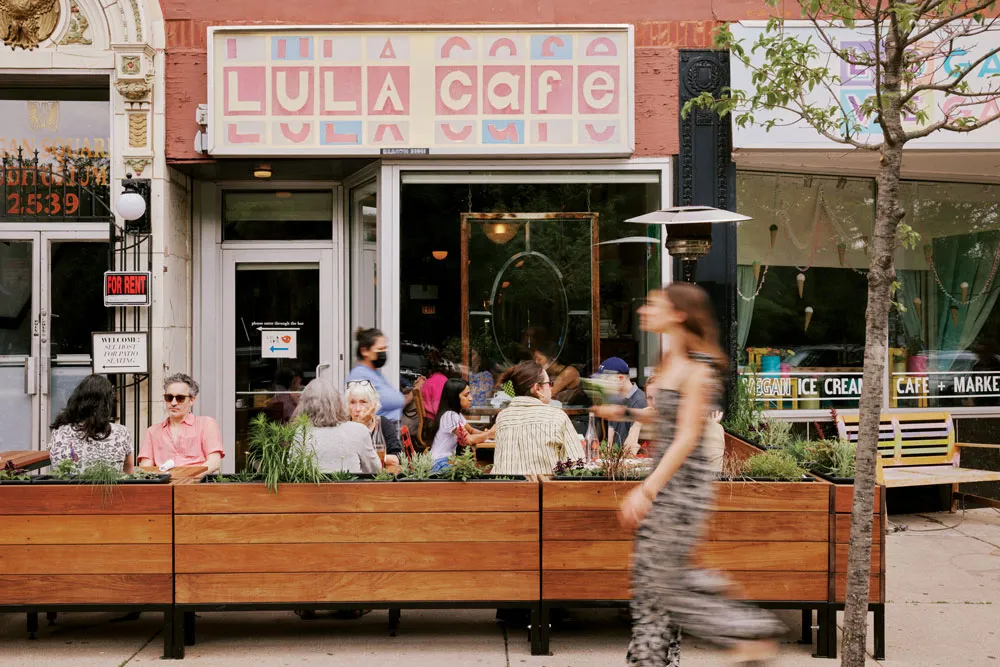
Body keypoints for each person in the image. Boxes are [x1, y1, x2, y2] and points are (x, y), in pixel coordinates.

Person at [591, 284, 783, 666]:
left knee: (665, 579)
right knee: (648, 586)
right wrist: (625, 413)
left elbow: (687, 435)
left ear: (678, 314)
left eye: (654, 305)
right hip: (666, 485)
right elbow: (665, 417)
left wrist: (646, 491)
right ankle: (651, 659)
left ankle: (748, 630)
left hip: (681, 491)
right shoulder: (669, 361)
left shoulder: (697, 369)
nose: (644, 310)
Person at [492, 361, 586, 476]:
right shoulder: (556, 416)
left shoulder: (503, 417)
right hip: (544, 486)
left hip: (505, 486)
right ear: (537, 388)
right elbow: (577, 464)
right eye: (549, 383)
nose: (551, 387)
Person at [138, 373, 223, 475]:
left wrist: (190, 479)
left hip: (197, 482)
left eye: (180, 398)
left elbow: (214, 462)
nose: (173, 403)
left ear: (191, 400)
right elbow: (145, 469)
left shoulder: (206, 424)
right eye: (169, 397)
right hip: (164, 482)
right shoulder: (152, 431)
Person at [49, 374, 134, 473]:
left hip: (62, 483)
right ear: (107, 404)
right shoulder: (120, 432)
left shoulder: (59, 431)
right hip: (108, 483)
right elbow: (129, 471)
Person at [292, 379, 379, 474]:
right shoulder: (359, 430)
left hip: (312, 484)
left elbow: (293, 470)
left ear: (304, 405)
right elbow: (375, 470)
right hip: (350, 484)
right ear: (338, 402)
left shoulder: (300, 433)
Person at [429, 378, 493, 472]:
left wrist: (486, 434)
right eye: (466, 395)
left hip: (445, 461)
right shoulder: (450, 416)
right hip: (439, 464)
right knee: (479, 470)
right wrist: (488, 434)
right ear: (454, 398)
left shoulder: (456, 415)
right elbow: (468, 439)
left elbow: (471, 431)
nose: (470, 398)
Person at [346, 327, 404, 424]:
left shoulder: (375, 374)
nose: (384, 352)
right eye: (380, 349)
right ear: (364, 351)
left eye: (385, 348)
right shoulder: (359, 376)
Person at [595, 356, 647, 455]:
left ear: (620, 378)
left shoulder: (639, 401)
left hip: (632, 459)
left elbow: (632, 448)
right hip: (615, 459)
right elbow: (610, 440)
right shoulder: (614, 398)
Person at [345, 379, 402, 467]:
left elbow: (398, 458)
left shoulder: (383, 423)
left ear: (373, 405)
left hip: (379, 475)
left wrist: (373, 458)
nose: (357, 409)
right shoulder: (343, 426)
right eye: (352, 402)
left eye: (363, 402)